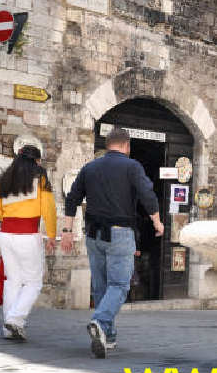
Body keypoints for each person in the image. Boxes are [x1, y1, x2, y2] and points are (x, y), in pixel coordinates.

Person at [60, 128, 164, 357]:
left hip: (94, 235)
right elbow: (148, 195)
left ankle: (108, 335)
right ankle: (99, 321)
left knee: (101, 286)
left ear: (108, 145)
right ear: (126, 146)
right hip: (119, 233)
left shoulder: (90, 167)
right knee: (119, 285)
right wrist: (157, 222)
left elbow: (72, 198)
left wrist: (67, 230)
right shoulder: (132, 166)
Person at [0, 144, 57, 340]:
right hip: (27, 234)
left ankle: (9, 327)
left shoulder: (5, 179)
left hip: (5, 234)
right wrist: (51, 234)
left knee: (13, 281)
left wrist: (10, 217)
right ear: (37, 161)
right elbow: (49, 209)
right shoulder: (40, 178)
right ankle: (15, 320)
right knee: (33, 282)